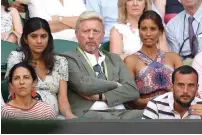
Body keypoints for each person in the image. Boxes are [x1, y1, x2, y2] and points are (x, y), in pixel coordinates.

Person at [61, 11, 142, 119]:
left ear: (103, 34)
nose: (91, 36)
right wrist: (116, 84)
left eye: (96, 31)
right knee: (110, 121)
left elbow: (132, 91)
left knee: (154, 115)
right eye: (86, 31)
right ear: (76, 34)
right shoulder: (68, 58)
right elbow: (84, 85)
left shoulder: (114, 58)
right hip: (90, 112)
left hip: (121, 111)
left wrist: (102, 96)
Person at [5, 17, 76, 119]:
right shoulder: (16, 57)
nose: (39, 41)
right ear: (25, 39)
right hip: (22, 113)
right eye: (34, 36)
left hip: (53, 117)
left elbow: (63, 99)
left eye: (43, 36)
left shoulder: (60, 61)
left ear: (49, 38)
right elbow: (13, 92)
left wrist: (69, 116)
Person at [124, 11, 183, 109]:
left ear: (160, 31)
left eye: (153, 29)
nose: (148, 33)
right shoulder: (131, 61)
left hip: (175, 109)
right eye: (144, 29)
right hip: (145, 111)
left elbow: (185, 87)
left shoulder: (174, 58)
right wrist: (153, 103)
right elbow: (129, 97)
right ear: (139, 31)